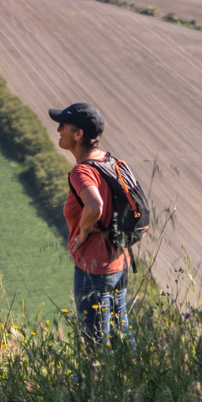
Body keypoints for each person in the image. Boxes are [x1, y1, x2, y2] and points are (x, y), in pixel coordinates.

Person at [50, 102, 135, 349]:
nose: (58, 130)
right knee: (121, 335)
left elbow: (95, 206)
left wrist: (84, 231)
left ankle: (95, 386)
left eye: (63, 126)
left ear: (78, 135)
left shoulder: (82, 172)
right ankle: (136, 381)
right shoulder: (110, 161)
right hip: (119, 262)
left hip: (94, 269)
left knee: (94, 342)